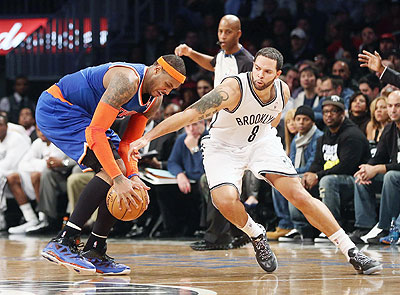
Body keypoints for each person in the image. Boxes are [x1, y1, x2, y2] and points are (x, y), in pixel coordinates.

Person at [130, 47, 382, 275]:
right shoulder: (231, 90)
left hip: (261, 141)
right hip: (223, 147)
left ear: (278, 73)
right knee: (224, 200)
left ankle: (351, 251)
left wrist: (266, 141)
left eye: (267, 71)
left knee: (300, 195)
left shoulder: (282, 91)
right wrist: (146, 138)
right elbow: (188, 115)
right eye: (257, 68)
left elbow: (273, 119)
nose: (259, 75)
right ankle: (256, 233)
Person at [36, 54, 186, 275]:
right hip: (59, 107)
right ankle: (63, 241)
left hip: (89, 118)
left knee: (123, 172)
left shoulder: (155, 100)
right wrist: (118, 179)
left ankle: (95, 249)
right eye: (167, 84)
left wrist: (132, 176)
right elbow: (95, 132)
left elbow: (128, 144)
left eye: (173, 89)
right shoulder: (128, 80)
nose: (168, 91)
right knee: (112, 172)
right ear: (156, 70)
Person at [175, 14, 254, 250]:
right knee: (220, 182)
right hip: (221, 125)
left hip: (237, 129)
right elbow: (212, 63)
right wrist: (190, 53)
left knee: (220, 181)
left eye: (227, 32)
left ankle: (221, 236)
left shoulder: (247, 62)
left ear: (238, 34)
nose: (221, 36)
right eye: (220, 31)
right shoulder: (222, 55)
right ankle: (233, 233)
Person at [350, 90, 400, 245]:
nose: (392, 110)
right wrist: (367, 168)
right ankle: (364, 226)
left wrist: (377, 169)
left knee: (390, 176)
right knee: (361, 177)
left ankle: (386, 227)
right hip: (393, 174)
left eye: (397, 106)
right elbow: (379, 156)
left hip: (394, 176)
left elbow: (384, 166)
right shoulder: (390, 129)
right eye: (390, 106)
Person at [269, 106, 323, 241]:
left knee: (292, 181)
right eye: (298, 119)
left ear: (312, 121)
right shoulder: (296, 139)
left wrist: (290, 173)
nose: (301, 122)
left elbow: (312, 164)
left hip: (312, 174)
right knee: (276, 181)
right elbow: (291, 162)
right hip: (297, 172)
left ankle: (299, 226)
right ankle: (286, 224)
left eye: (305, 119)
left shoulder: (318, 137)